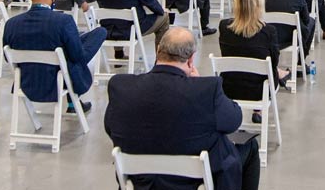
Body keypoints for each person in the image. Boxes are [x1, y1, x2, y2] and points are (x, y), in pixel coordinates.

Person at [104, 27, 260, 190]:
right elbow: (234, 121)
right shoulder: (206, 89)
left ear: (158, 51)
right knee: (249, 148)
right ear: (191, 60)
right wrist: (198, 81)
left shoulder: (120, 86)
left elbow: (110, 128)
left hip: (140, 181)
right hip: (191, 181)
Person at [3, 0, 106, 113]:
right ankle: (73, 101)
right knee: (98, 33)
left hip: (27, 81)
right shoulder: (63, 21)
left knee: (73, 44)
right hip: (57, 79)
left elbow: (7, 57)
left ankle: (73, 103)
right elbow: (77, 56)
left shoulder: (11, 23)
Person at [219, 0, 289, 102]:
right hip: (260, 90)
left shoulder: (224, 27)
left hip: (229, 88)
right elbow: (274, 61)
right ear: (260, 3)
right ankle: (259, 111)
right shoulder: (269, 31)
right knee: (269, 68)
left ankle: (281, 74)